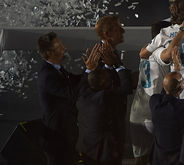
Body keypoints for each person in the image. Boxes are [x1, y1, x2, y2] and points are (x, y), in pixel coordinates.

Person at [77, 41, 132, 165]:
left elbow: (85, 81)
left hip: (89, 149)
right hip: (106, 152)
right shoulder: (104, 97)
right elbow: (126, 87)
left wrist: (89, 68)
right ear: (106, 85)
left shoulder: (83, 94)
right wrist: (116, 64)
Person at [37, 32, 83, 165]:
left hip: (64, 134)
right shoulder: (48, 75)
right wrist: (88, 73)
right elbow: (71, 93)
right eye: (60, 47)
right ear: (49, 53)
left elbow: (75, 80)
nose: (65, 49)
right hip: (57, 137)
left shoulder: (58, 70)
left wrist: (90, 70)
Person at [129, 20, 171, 165]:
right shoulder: (162, 53)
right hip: (152, 110)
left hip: (138, 109)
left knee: (141, 159)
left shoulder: (145, 49)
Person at [149, 72, 184, 165]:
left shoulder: (154, 101)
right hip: (176, 159)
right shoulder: (182, 107)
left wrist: (176, 70)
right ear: (181, 88)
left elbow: (164, 94)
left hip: (158, 158)